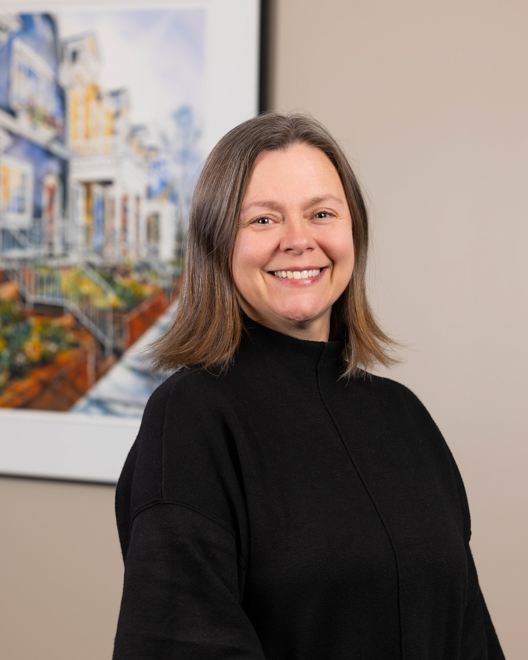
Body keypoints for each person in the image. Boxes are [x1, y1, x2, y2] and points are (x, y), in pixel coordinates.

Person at [112, 112, 505, 659]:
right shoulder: (191, 418)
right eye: (264, 220)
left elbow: (470, 637)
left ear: (353, 232)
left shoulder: (404, 417)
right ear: (217, 241)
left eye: (321, 213)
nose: (299, 242)